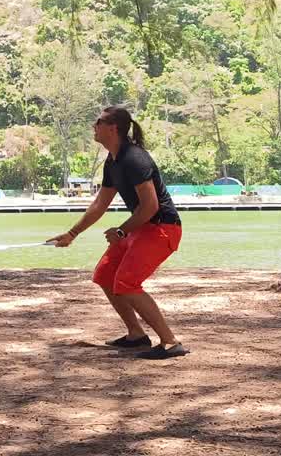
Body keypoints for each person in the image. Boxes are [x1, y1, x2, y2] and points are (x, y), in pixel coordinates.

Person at [51, 106, 187, 359]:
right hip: (141, 227)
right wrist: (72, 233)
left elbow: (151, 206)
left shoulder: (134, 158)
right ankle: (136, 335)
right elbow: (100, 204)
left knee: (126, 283)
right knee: (105, 275)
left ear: (113, 128)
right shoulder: (113, 162)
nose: (94, 127)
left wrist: (122, 232)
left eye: (98, 122)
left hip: (162, 227)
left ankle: (170, 342)